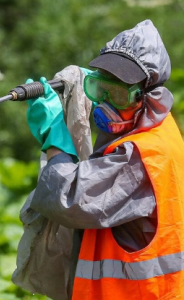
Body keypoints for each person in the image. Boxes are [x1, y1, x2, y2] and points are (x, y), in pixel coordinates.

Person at [13, 19, 184, 300]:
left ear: (148, 97)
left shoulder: (142, 157)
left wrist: (54, 135)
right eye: (98, 88)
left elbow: (67, 199)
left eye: (117, 94)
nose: (104, 103)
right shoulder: (159, 125)